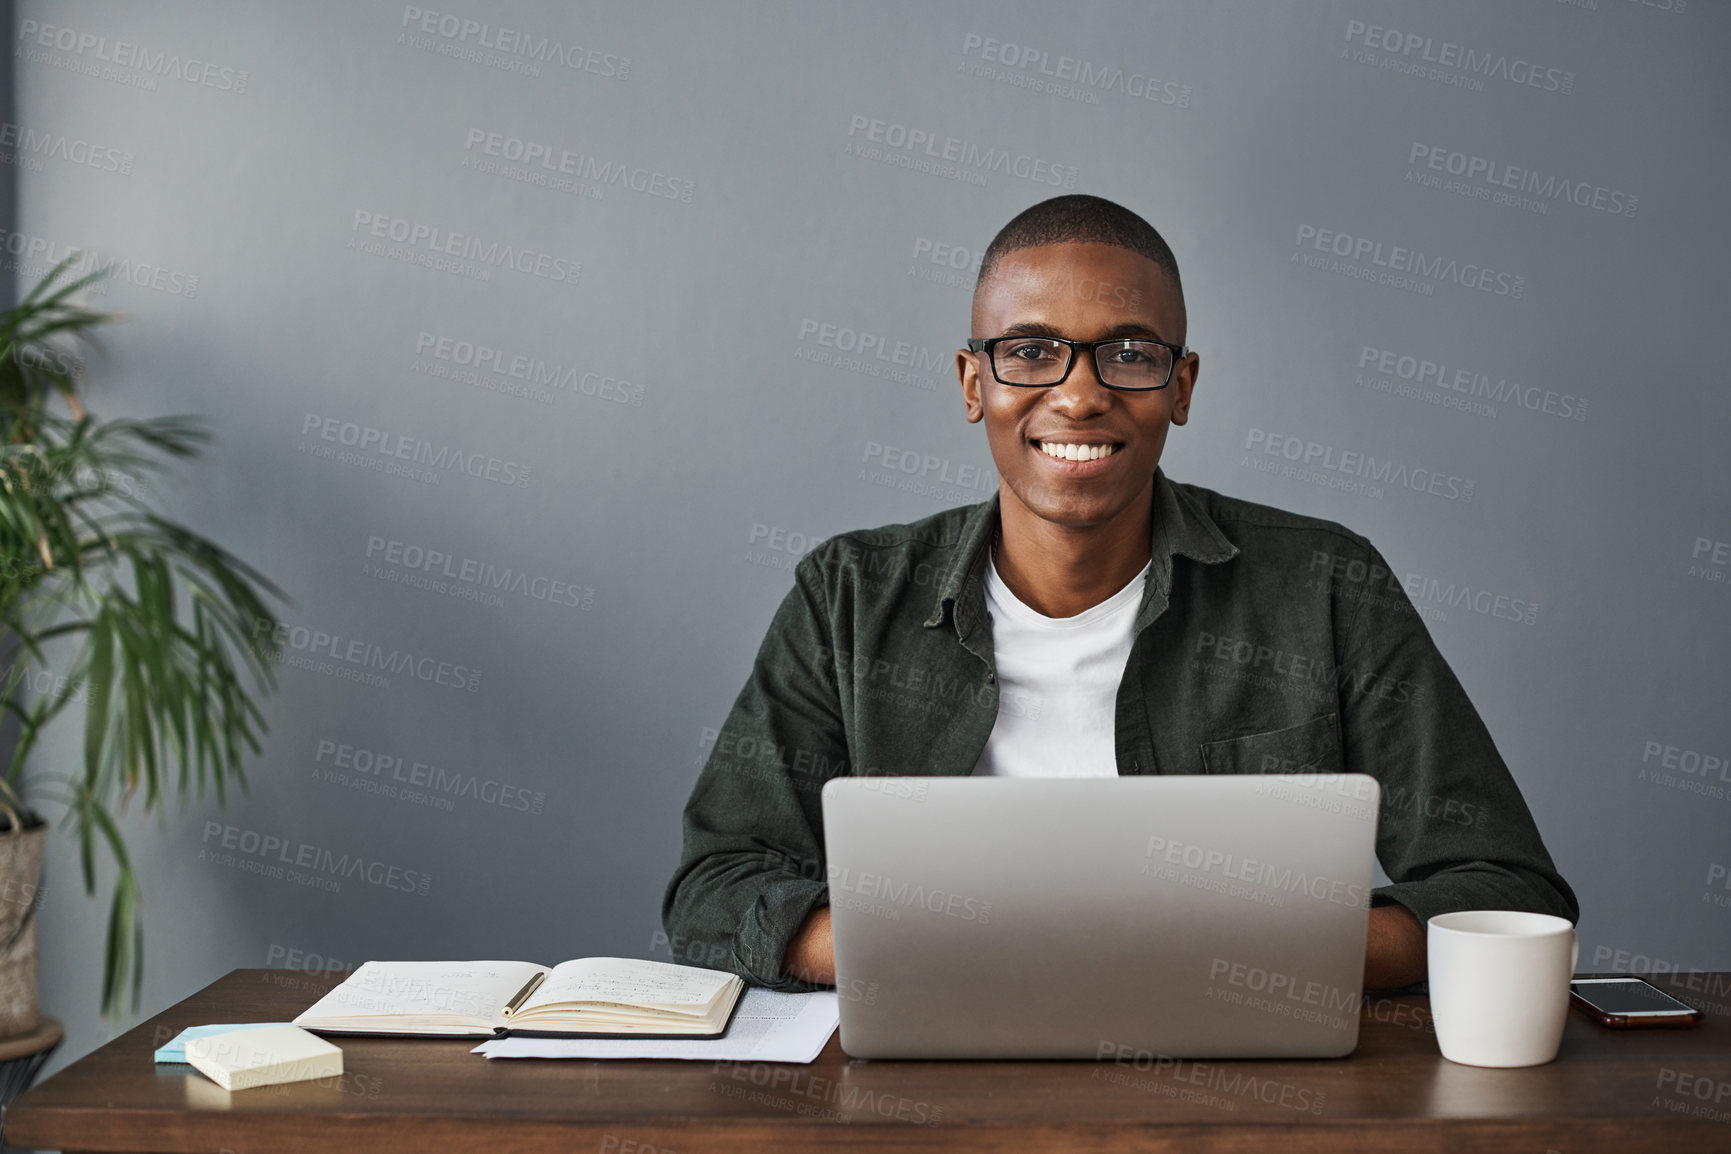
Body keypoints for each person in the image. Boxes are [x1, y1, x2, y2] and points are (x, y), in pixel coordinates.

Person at [663, 194, 1577, 993]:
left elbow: (1502, 891)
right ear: (972, 383)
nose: (1078, 394)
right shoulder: (847, 597)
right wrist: (939, 949)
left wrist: (1226, 951)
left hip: (1237, 1077)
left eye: (1128, 355)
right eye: (1030, 351)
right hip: (928, 1065)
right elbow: (715, 891)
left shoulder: (1325, 585)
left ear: (1179, 388)